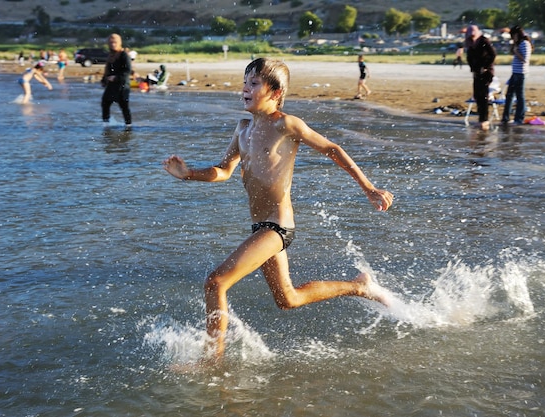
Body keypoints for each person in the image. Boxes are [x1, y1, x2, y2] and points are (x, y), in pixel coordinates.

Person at [163, 58, 394, 360]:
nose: (245, 88)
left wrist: (369, 188)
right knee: (289, 299)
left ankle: (212, 360)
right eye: (245, 81)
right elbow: (223, 170)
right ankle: (360, 286)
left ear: (275, 92)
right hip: (261, 227)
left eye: (254, 83)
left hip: (277, 226)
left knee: (215, 281)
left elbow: (331, 149)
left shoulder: (286, 124)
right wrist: (189, 173)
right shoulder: (243, 128)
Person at [465, 25, 497, 131]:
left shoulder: (484, 41)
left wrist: (485, 67)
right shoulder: (470, 43)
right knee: (477, 95)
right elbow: (469, 57)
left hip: (486, 72)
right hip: (476, 72)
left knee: (483, 96)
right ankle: (480, 119)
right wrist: (473, 69)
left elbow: (493, 54)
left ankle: (485, 120)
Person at [502, 26, 533, 126]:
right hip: (515, 73)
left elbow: (525, 59)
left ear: (517, 34)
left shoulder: (525, 43)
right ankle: (505, 118)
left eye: (513, 36)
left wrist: (516, 51)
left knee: (520, 96)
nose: (512, 38)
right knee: (509, 95)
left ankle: (519, 119)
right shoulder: (518, 43)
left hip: (521, 74)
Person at [101, 33, 132, 128]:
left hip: (122, 85)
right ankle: (106, 124)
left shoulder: (123, 55)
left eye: (115, 42)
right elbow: (108, 71)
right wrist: (104, 79)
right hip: (111, 85)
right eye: (111, 42)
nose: (113, 44)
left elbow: (127, 71)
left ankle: (128, 126)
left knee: (124, 106)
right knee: (105, 103)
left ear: (119, 43)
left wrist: (116, 77)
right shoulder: (111, 55)